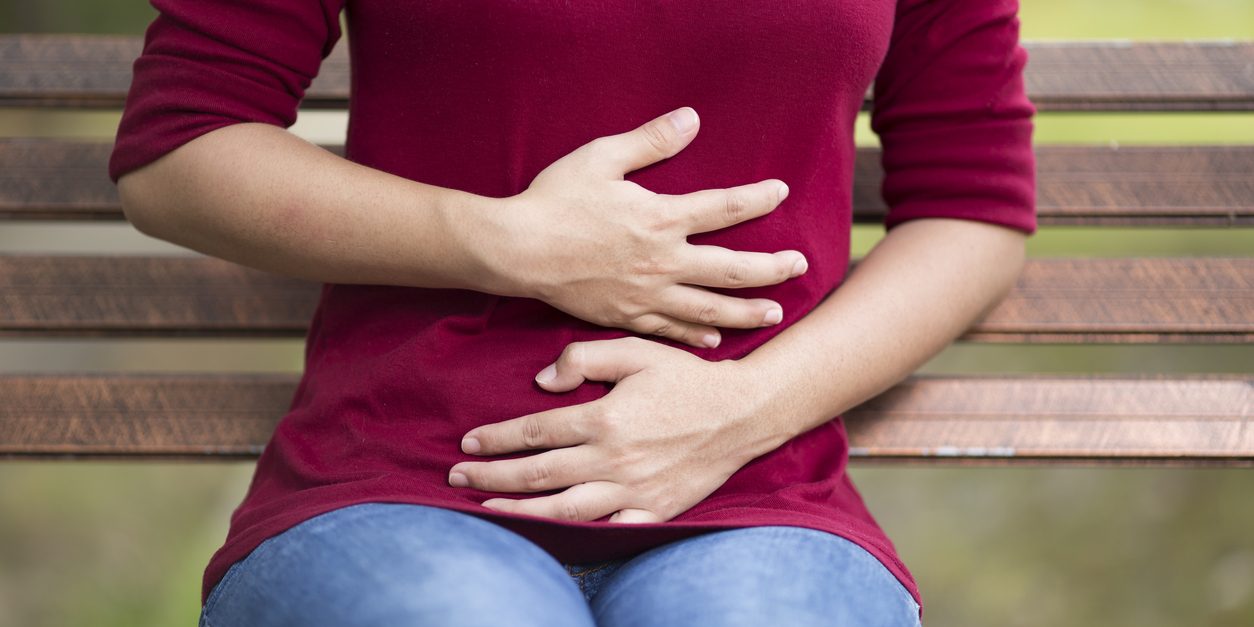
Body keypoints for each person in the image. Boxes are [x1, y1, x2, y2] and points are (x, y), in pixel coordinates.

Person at [110, 0, 1035, 625]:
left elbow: (974, 207)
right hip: (398, 481)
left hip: (761, 497)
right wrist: (506, 241)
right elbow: (181, 150)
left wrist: (747, 407)